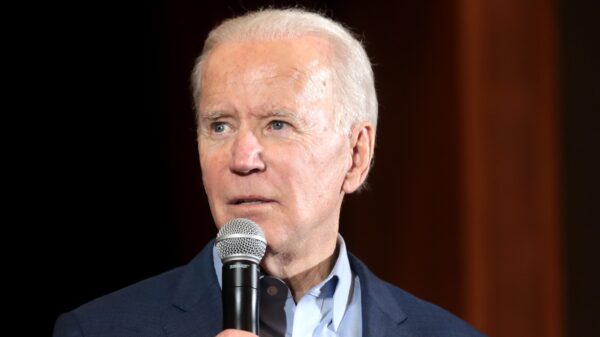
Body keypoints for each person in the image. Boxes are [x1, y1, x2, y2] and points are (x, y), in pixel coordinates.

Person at [54, 8, 485, 337]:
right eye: (219, 125)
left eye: (278, 124)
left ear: (356, 155)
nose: (242, 159)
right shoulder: (99, 329)